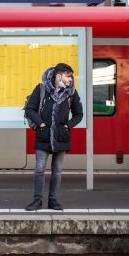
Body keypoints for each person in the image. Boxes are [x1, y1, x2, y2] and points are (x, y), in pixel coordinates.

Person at [24, 63, 84, 211]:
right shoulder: (41, 88)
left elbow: (79, 114)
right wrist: (41, 124)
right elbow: (30, 109)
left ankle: (53, 200)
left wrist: (68, 125)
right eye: (68, 76)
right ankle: (37, 200)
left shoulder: (71, 93)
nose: (71, 79)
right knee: (39, 169)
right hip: (43, 135)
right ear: (59, 76)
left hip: (61, 136)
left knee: (57, 170)